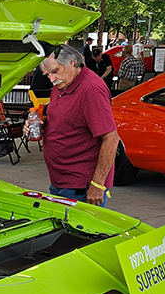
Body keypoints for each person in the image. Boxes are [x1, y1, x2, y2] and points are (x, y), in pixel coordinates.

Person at [38, 45, 119, 207]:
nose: (52, 79)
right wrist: (41, 123)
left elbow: (111, 138)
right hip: (60, 180)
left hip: (80, 186)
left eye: (54, 71)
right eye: (47, 75)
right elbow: (62, 117)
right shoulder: (63, 83)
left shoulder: (92, 91)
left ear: (72, 63)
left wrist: (97, 185)